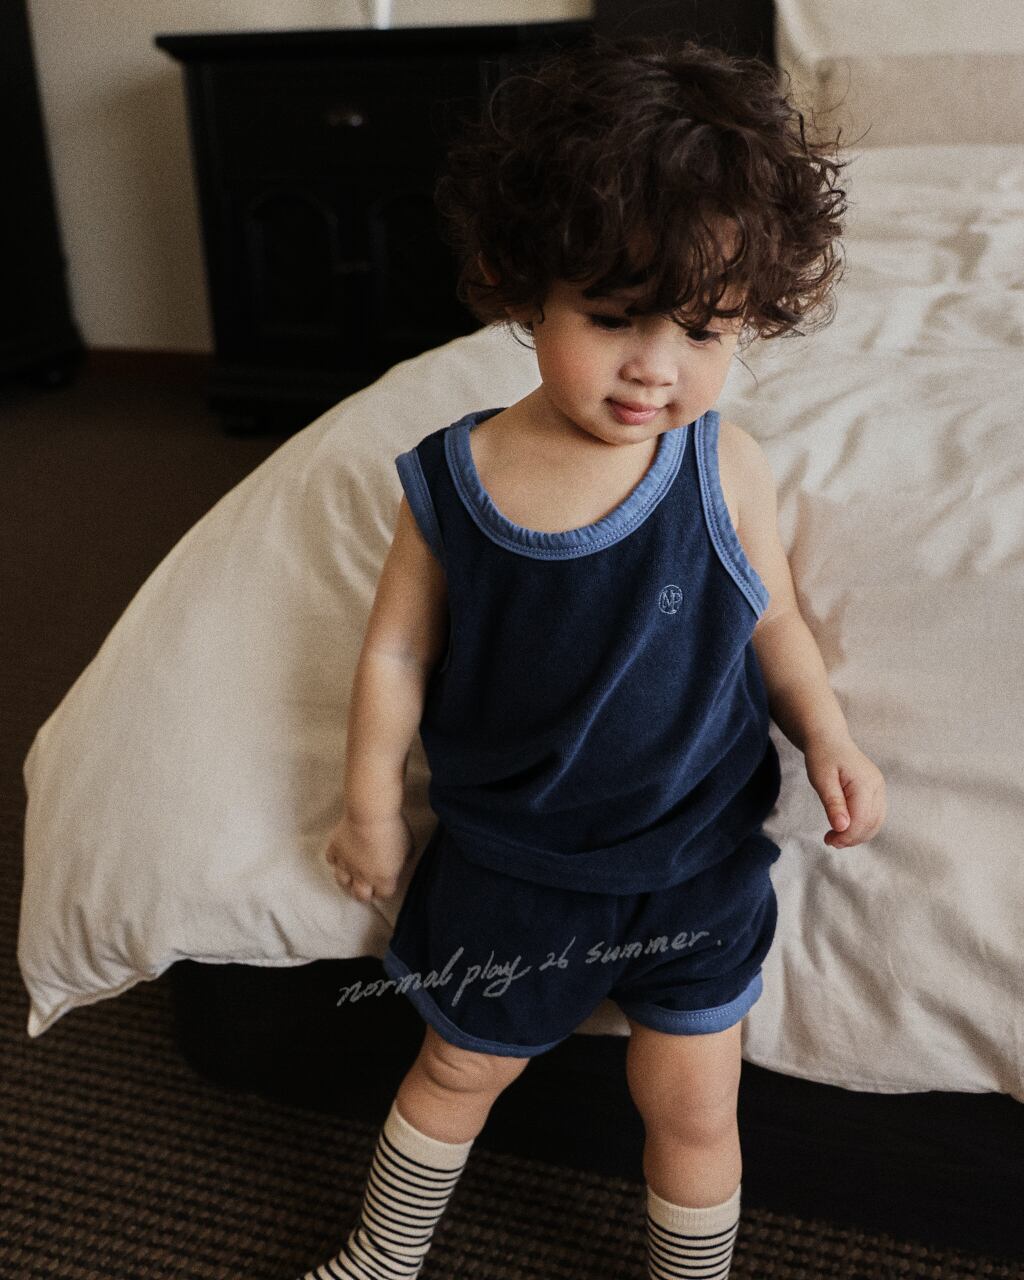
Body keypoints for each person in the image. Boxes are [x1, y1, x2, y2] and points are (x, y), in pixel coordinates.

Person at [299, 33, 886, 1280]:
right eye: (613, 319)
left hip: (695, 865)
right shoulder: (455, 477)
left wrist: (827, 733)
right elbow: (395, 651)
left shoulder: (724, 464)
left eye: (704, 331)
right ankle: (379, 1258)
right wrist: (369, 806)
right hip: (516, 868)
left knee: (693, 1103)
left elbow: (772, 621)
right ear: (527, 289)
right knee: (456, 1065)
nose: (654, 368)